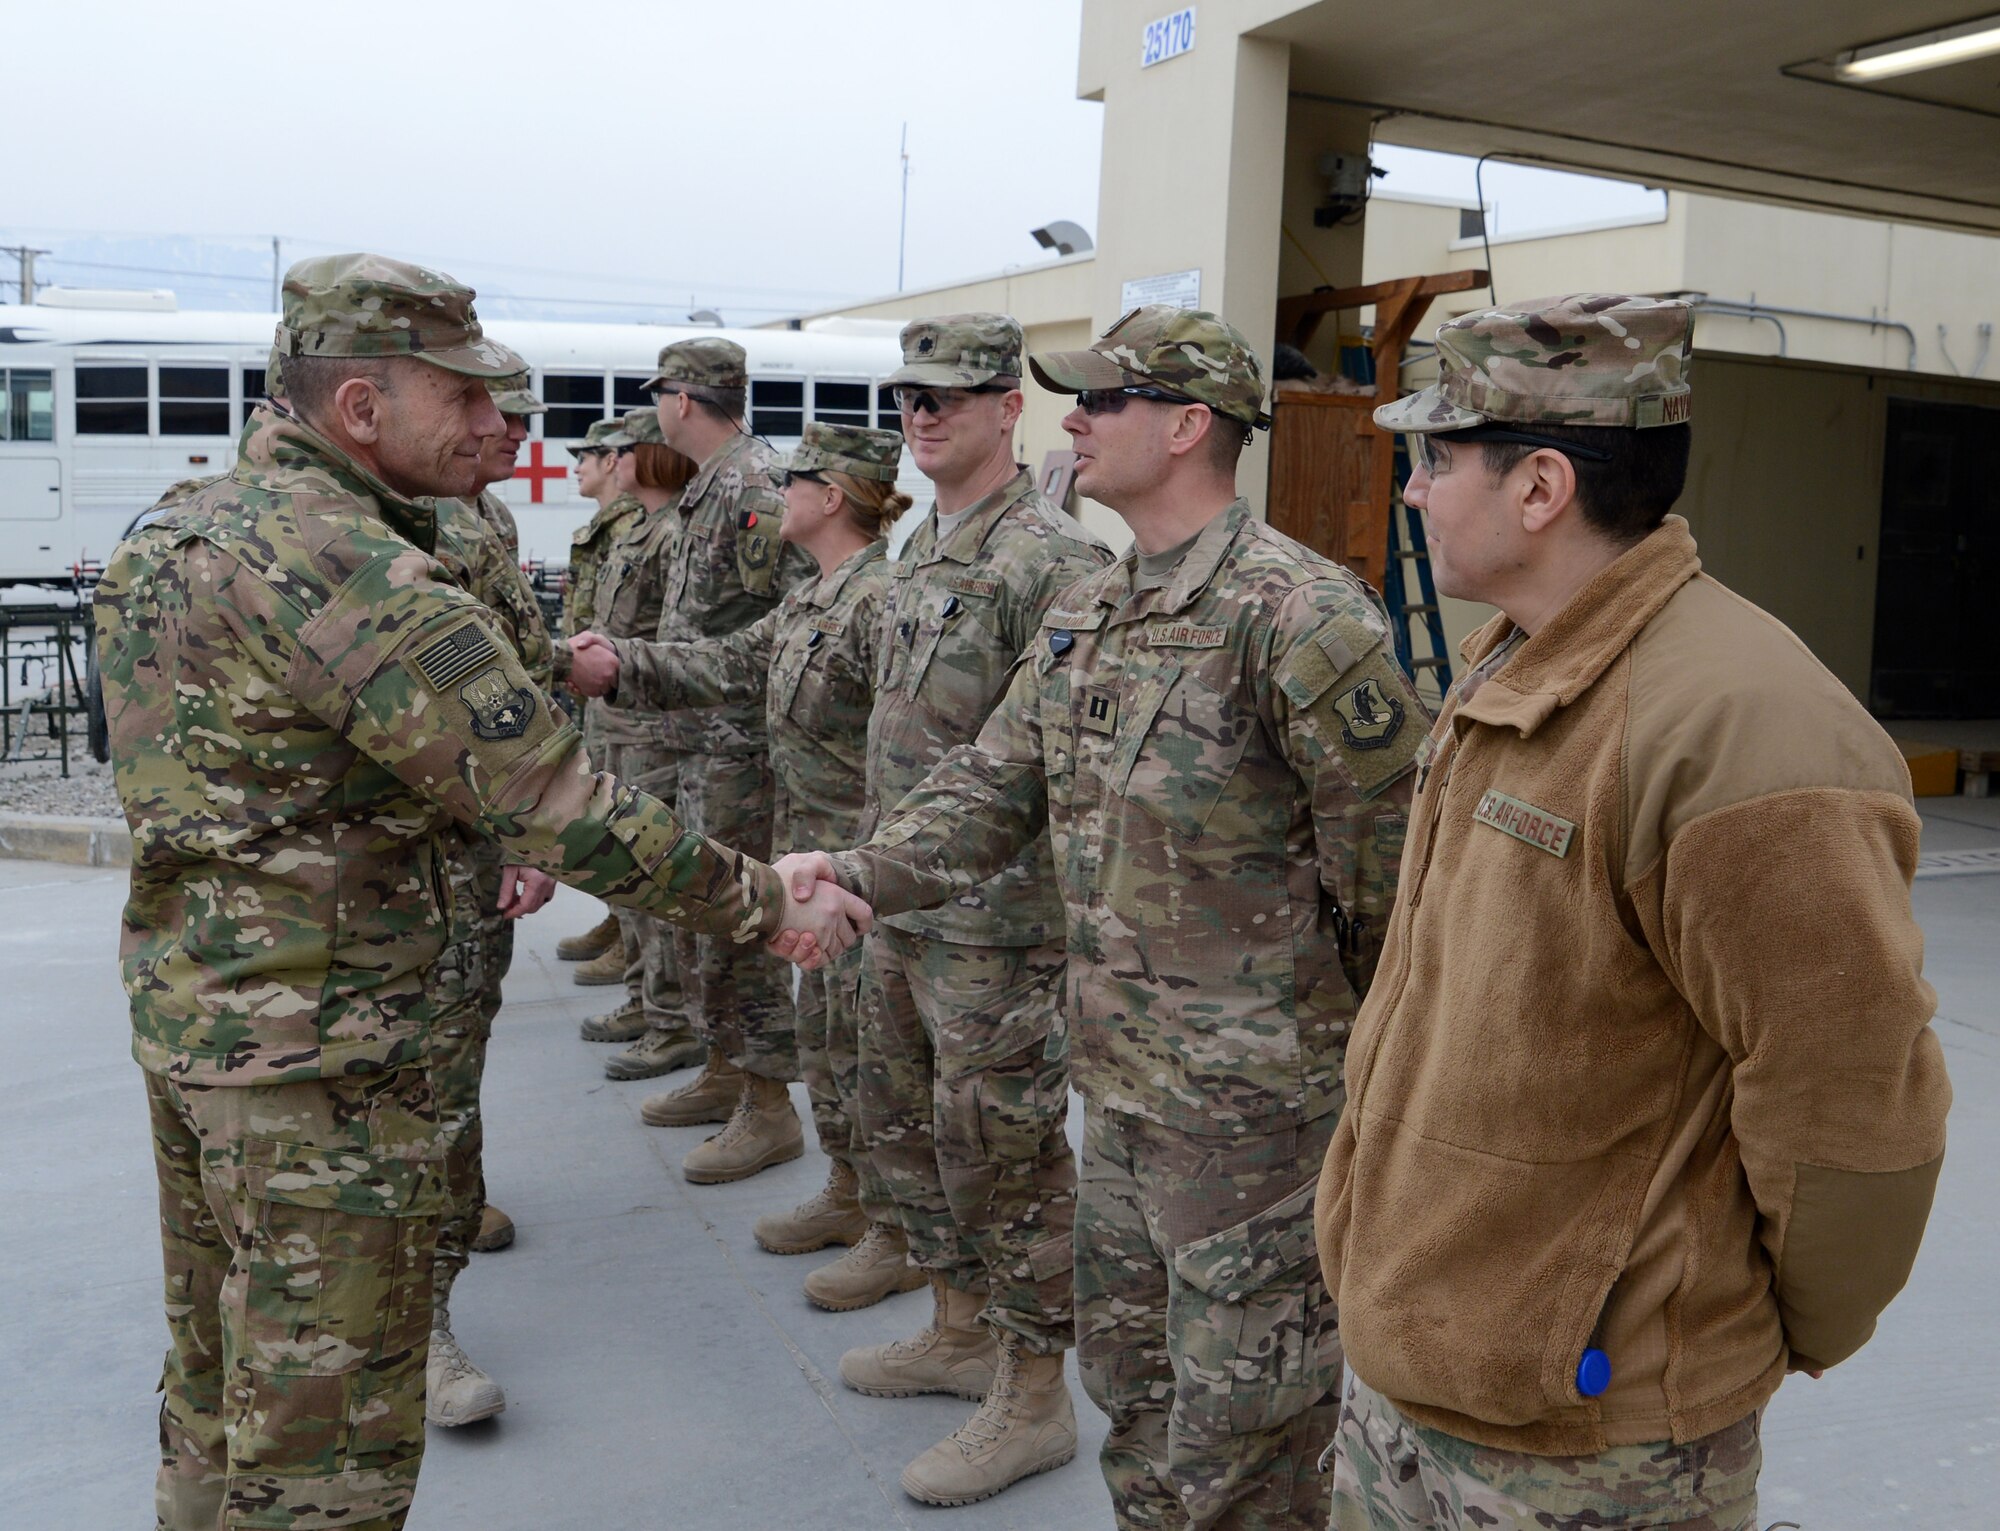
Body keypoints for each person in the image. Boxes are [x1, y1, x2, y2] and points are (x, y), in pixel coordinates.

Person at [96, 252, 869, 1531]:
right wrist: (759, 899)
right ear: (358, 408)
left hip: (204, 1032)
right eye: (459, 398)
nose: (495, 427)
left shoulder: (187, 527)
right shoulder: (346, 567)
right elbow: (546, 794)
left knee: (220, 1390)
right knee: (325, 1449)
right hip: (329, 1067)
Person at [776, 305, 1424, 1526]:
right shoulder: (1093, 609)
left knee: (1248, 1435)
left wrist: (1362, 1091)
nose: (1071, 420)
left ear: (1188, 428)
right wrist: (855, 872)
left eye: (1099, 399)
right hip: (1117, 1091)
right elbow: (987, 785)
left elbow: (1399, 888)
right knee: (1131, 1393)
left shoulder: (1296, 616)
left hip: (1260, 1129)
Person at [1313, 294, 1952, 1531]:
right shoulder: (1517, 659)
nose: (1412, 491)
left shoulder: (1738, 728)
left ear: (1539, 486)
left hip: (1591, 1439)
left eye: (1435, 459)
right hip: (1421, 1379)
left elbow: (1849, 1105)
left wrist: (1704, 1338)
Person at [790, 314, 1114, 1507]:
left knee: (1006, 1159)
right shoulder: (922, 548)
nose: (922, 414)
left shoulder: (1052, 560)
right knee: (908, 1134)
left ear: (1003, 408)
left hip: (998, 926)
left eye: (951, 395)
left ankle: (1032, 1396)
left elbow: (1060, 771)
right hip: (902, 906)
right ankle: (957, 1327)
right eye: (909, 396)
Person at [568, 422, 926, 1310]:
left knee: (875, 1052)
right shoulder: (819, 598)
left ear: (832, 496)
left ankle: (899, 1228)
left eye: (796, 479)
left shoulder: (882, 599)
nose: (777, 493)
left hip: (864, 870)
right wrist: (620, 664)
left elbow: (911, 746)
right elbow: (734, 660)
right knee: (830, 1036)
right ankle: (851, 1194)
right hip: (816, 858)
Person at [625, 338, 817, 1182]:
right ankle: (728, 1067)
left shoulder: (753, 485)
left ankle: (768, 1104)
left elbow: (800, 605)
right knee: (704, 916)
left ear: (681, 400)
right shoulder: (715, 486)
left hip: (742, 748)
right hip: (700, 740)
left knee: (743, 920)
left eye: (662, 394)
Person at [415, 372, 561, 1428]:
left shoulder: (484, 516)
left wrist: (523, 829)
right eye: (489, 417)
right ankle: (413, 1333)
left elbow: (516, 672)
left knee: (458, 1039)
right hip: (366, 880)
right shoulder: (374, 533)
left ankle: (453, 1203)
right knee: (402, 1087)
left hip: (463, 845)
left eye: (514, 422)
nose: (505, 436)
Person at [560, 410, 705, 1072]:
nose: (613, 460)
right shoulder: (641, 529)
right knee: (628, 868)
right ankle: (649, 998)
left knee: (653, 875)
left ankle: (669, 1013)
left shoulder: (674, 532)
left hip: (652, 726)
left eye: (625, 450)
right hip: (619, 719)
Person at [553, 415, 648, 968]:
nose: (577, 468)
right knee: (607, 815)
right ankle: (619, 924)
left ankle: (631, 943)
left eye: (585, 457)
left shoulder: (630, 526)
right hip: (598, 693)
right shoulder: (605, 528)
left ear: (613, 461)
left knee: (626, 819)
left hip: (624, 695)